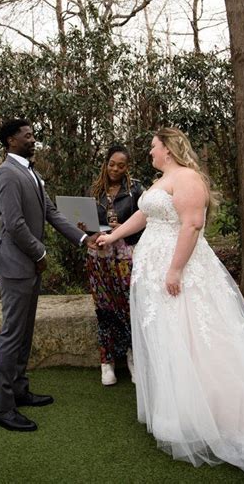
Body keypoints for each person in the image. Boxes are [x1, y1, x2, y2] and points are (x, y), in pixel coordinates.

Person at [97, 127, 244, 483]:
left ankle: (219, 413)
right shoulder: (160, 180)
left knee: (195, 339)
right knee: (170, 339)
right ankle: (181, 413)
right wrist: (114, 235)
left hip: (179, 272)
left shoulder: (188, 178)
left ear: (167, 148)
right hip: (154, 272)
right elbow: (145, 216)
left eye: (153, 146)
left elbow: (192, 224)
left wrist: (175, 270)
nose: (149, 151)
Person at [0, 119, 97, 432]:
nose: (34, 140)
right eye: (28, 136)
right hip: (15, 264)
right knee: (12, 334)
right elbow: (14, 223)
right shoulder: (6, 172)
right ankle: (2, 407)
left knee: (24, 332)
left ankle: (20, 390)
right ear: (11, 140)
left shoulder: (31, 172)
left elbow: (51, 213)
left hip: (30, 264)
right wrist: (41, 253)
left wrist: (83, 238)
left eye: (34, 135)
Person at [85, 144, 144, 386]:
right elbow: (88, 222)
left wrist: (124, 229)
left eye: (121, 165)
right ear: (105, 163)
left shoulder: (136, 189)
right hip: (97, 256)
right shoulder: (95, 189)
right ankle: (106, 362)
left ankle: (133, 357)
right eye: (112, 164)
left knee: (128, 306)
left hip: (125, 255)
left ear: (127, 166)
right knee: (104, 308)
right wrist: (87, 233)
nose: (115, 169)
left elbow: (147, 220)